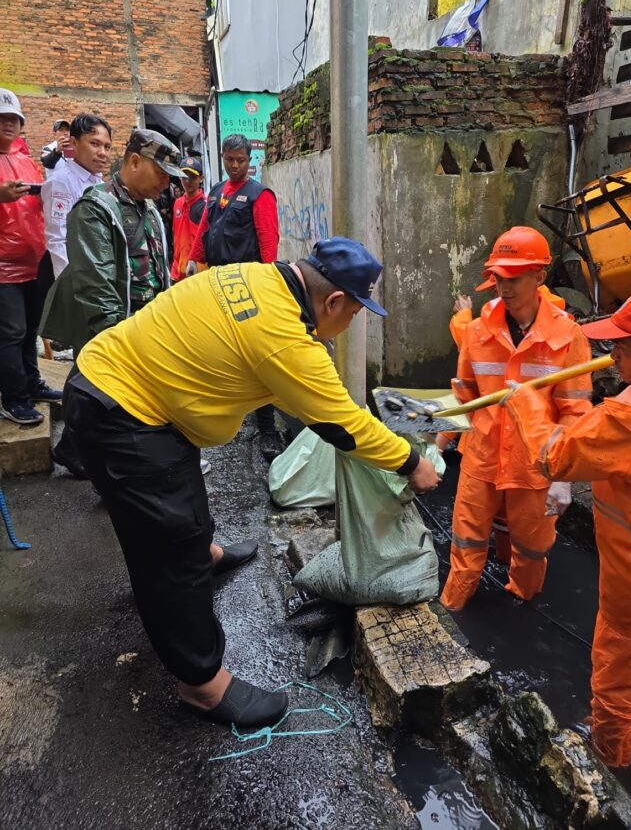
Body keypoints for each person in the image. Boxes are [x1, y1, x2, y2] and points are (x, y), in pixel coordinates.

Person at [62, 237, 440, 728]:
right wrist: (411, 461)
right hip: (125, 418)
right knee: (170, 550)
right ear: (332, 301)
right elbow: (343, 425)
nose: (351, 323)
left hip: (119, 382)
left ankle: (204, 554)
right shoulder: (284, 338)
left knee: (184, 516)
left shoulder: (260, 277)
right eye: (354, 312)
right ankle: (201, 685)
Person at [504, 288, 631, 768]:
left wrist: (527, 406)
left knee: (617, 690)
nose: (611, 354)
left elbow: (557, 455)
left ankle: (611, 775)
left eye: (623, 345)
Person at [438, 226, 592, 611]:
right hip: (482, 456)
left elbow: (575, 409)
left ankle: (522, 604)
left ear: (539, 276)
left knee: (531, 546)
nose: (503, 287)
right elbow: (465, 396)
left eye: (513, 278)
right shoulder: (476, 332)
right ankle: (454, 605)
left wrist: (564, 477)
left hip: (535, 464)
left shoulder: (568, 337)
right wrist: (439, 444)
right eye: (498, 278)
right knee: (467, 538)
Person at [41, 128, 179, 476]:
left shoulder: (147, 208)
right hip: (114, 328)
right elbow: (96, 285)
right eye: (161, 173)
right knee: (104, 395)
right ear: (134, 161)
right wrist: (122, 343)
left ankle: (75, 450)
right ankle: (113, 469)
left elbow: (158, 267)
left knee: (92, 389)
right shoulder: (95, 208)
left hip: (141, 323)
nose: (166, 183)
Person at [187, 133, 282, 462]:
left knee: (257, 356)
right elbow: (204, 228)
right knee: (223, 349)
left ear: (250, 160)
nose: (236, 166)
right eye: (231, 160)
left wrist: (268, 283)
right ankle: (229, 414)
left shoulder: (259, 195)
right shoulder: (216, 193)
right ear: (224, 157)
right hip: (216, 281)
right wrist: (193, 257)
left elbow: (269, 241)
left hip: (246, 286)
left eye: (242, 160)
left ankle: (267, 428)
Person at [0, 88, 62, 425]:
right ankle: (13, 397)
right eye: (2, 118)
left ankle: (31, 382)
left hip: (34, 260)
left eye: (13, 119)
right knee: (10, 332)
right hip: (2, 268)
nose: (8, 124)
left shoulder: (24, 159)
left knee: (29, 331)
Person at [41, 113, 113, 278]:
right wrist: (71, 285)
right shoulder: (61, 182)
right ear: (74, 143)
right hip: (72, 276)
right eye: (94, 144)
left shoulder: (99, 182)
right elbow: (57, 239)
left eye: (107, 147)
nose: (103, 153)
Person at [170, 156, 205, 282]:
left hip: (198, 272)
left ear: (201, 178)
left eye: (193, 177)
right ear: (179, 177)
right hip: (178, 271)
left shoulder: (205, 206)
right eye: (184, 176)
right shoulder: (177, 203)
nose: (188, 181)